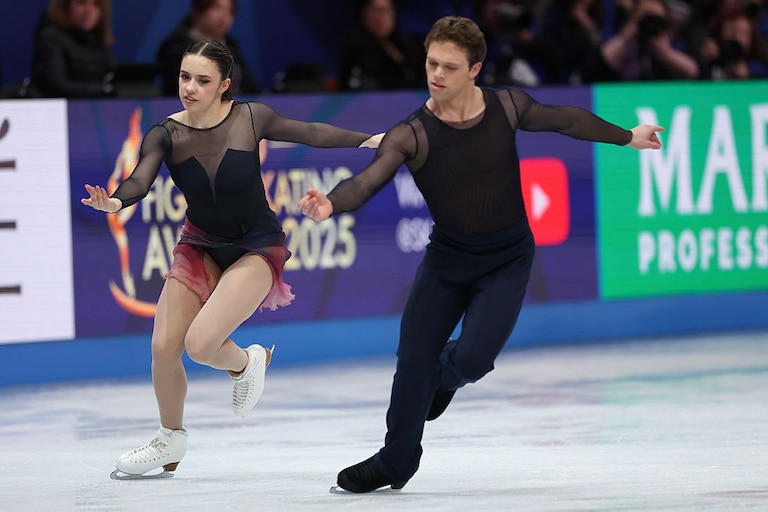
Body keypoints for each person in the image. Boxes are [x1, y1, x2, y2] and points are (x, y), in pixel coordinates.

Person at [298, 15, 664, 493]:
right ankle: (395, 461)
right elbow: (369, 179)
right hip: (447, 261)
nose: (437, 75)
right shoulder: (411, 133)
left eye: (450, 67)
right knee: (412, 361)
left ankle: (441, 380)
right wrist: (331, 202)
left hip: (507, 259)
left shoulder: (507, 106)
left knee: (468, 361)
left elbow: (567, 120)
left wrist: (627, 136)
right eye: (431, 63)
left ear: (475, 69)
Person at [81, 39, 381, 479]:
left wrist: (372, 139)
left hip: (255, 246)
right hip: (200, 244)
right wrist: (116, 203)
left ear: (224, 84)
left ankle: (247, 362)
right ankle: (170, 436)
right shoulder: (165, 133)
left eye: (202, 80)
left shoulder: (250, 117)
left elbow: (312, 132)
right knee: (164, 348)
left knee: (200, 346)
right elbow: (140, 179)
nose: (190, 87)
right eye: (185, 77)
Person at [156, 0, 261, 97]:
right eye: (217, 8)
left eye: (230, 10)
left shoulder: (232, 48)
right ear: (198, 10)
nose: (224, 16)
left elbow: (252, 90)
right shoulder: (177, 49)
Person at [580, 0, 699, 82]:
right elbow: (598, 66)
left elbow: (693, 71)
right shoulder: (623, 38)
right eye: (644, 17)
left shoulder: (674, 41)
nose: (649, 23)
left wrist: (664, 52)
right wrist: (632, 28)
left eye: (655, 18)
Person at [26, 0, 117, 98]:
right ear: (65, 7)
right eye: (81, 3)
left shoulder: (98, 42)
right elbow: (55, 86)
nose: (88, 11)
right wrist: (105, 90)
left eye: (96, 4)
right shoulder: (51, 39)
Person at [338, 0, 426, 91]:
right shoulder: (354, 52)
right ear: (362, 13)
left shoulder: (410, 46)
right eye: (375, 10)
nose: (381, 17)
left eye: (386, 10)